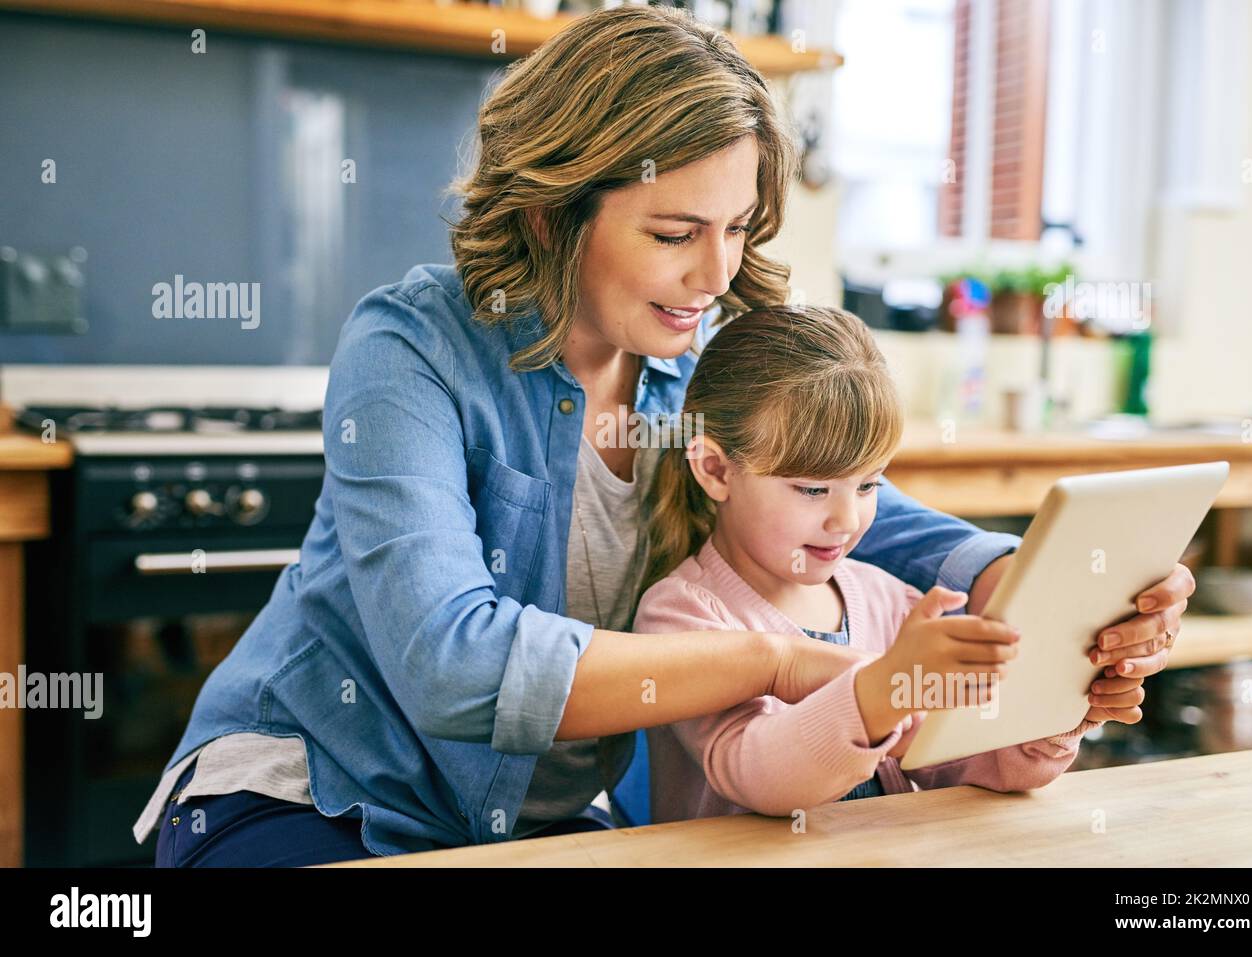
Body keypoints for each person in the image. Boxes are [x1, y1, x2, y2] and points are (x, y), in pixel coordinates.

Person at [134, 5, 1193, 866]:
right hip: (312, 795)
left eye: (737, 229)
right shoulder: (413, 348)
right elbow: (451, 663)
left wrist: (1045, 588)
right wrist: (777, 661)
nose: (717, 274)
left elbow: (850, 506)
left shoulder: (693, 368)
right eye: (675, 234)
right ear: (555, 211)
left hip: (537, 826)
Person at [634, 304, 1117, 823]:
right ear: (715, 469)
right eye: (813, 489)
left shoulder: (890, 600)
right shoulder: (681, 616)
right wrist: (884, 689)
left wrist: (1054, 709)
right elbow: (757, 773)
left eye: (868, 485)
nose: (845, 519)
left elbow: (956, 763)